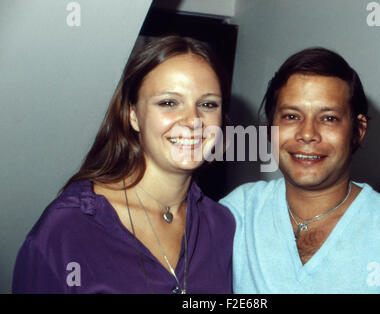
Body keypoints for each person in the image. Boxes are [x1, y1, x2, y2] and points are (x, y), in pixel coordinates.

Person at [13, 35, 235, 294]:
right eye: (168, 103)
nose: (193, 120)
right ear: (133, 116)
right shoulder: (68, 228)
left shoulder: (220, 225)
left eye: (208, 104)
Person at [220, 47, 380, 293]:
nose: (307, 133)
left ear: (358, 130)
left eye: (328, 118)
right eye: (291, 116)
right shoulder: (240, 212)